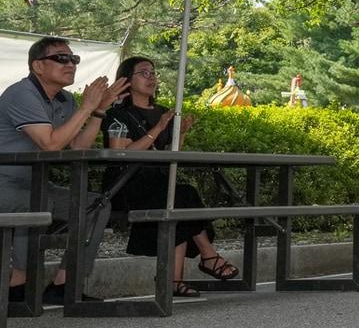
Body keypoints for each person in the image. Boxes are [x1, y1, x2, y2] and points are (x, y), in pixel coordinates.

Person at [0, 37, 126, 305]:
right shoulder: (21, 94)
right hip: (5, 184)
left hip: (35, 184)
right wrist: (87, 107)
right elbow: (50, 145)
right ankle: (17, 283)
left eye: (74, 59)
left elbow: (76, 146)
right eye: (61, 58)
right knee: (39, 205)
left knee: (96, 205)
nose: (71, 64)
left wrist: (99, 111)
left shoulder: (65, 99)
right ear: (38, 66)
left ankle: (64, 283)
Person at [100, 57, 237, 299]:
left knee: (181, 195)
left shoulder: (163, 112)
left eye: (153, 73)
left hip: (159, 182)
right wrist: (158, 129)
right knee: (179, 196)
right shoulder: (118, 114)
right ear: (127, 80)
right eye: (143, 73)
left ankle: (177, 278)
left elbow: (169, 155)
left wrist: (180, 134)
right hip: (127, 185)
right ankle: (207, 257)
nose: (151, 78)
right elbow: (121, 153)